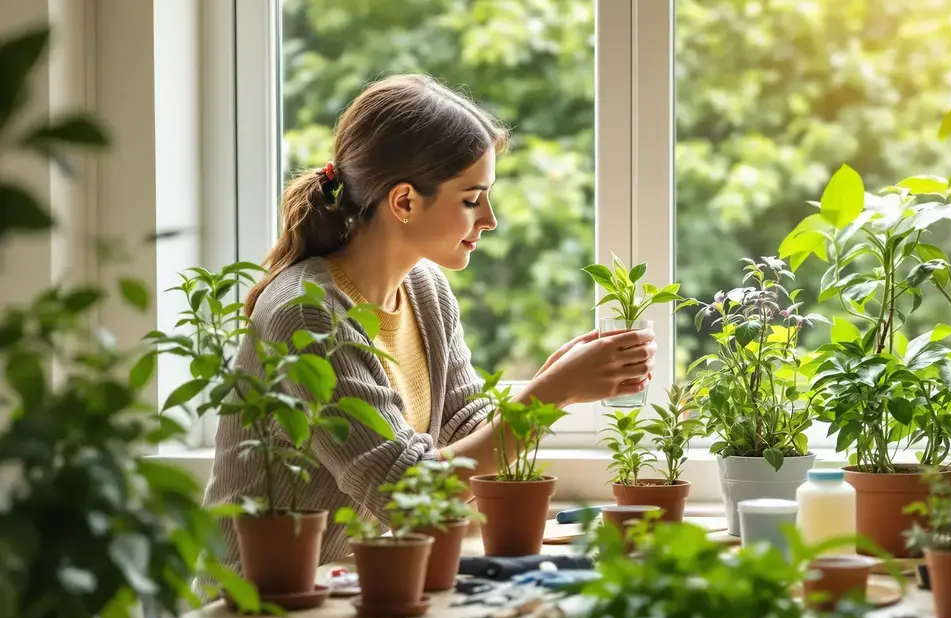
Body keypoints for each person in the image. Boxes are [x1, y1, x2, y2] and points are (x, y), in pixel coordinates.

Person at [202, 74, 655, 570]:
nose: (489, 219)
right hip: (265, 607)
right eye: (471, 198)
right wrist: (551, 394)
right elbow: (403, 494)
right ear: (404, 202)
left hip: (358, 591)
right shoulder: (307, 313)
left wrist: (555, 383)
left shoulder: (425, 289)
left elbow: (467, 444)